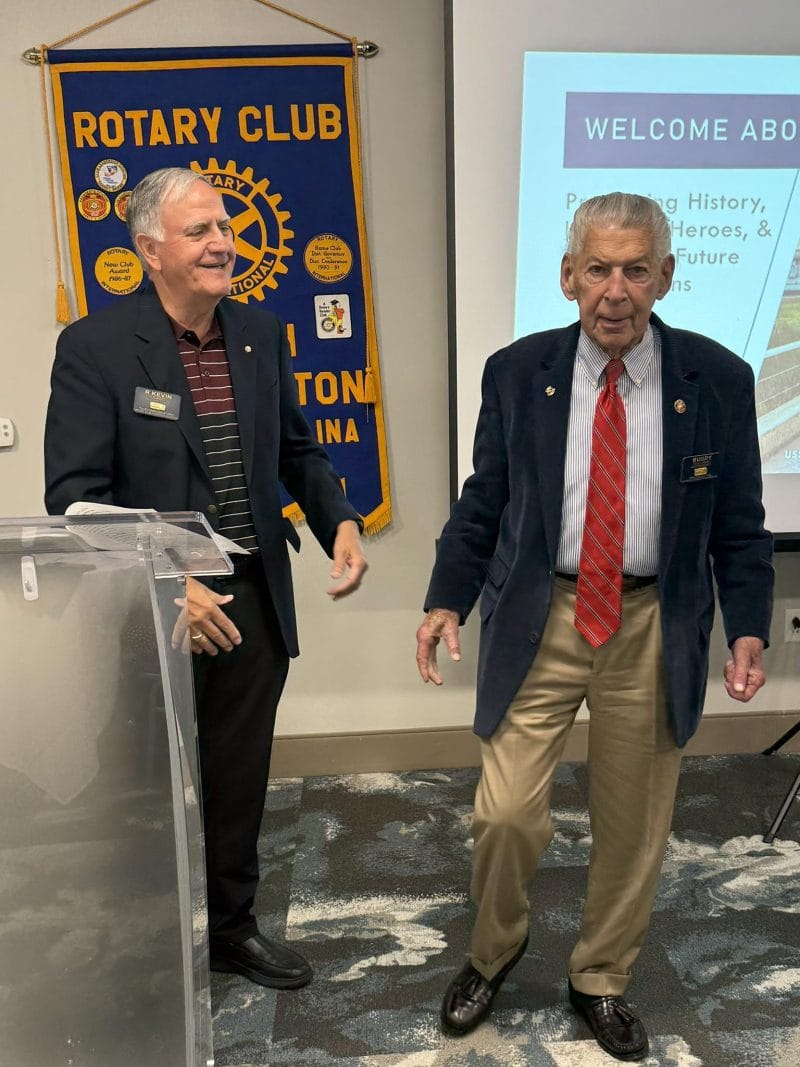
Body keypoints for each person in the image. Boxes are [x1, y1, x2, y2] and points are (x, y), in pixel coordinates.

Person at [415, 192, 773, 1061]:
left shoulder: (717, 378)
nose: (616, 290)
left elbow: (741, 521)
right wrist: (443, 599)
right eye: (600, 268)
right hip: (544, 612)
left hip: (654, 619)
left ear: (666, 278)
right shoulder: (515, 371)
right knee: (504, 812)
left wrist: (749, 628)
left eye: (636, 269)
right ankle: (493, 951)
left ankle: (602, 975)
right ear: (568, 275)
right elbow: (484, 502)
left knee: (635, 821)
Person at [45, 167, 367, 990]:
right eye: (199, 232)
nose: (223, 242)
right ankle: (140, 938)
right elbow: (75, 499)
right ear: (149, 249)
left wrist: (341, 522)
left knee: (236, 777)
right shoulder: (96, 347)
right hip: (147, 606)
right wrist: (164, 581)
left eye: (224, 226)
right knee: (143, 779)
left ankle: (231, 927)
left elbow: (299, 450)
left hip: (250, 594)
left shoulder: (257, 333)